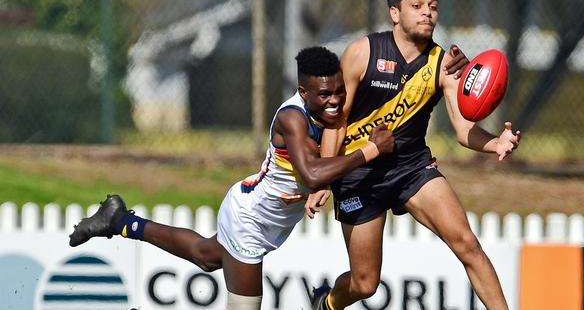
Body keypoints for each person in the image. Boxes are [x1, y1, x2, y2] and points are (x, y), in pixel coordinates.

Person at [68, 46, 400, 310]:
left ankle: (120, 221)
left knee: (205, 255)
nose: (335, 101)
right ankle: (120, 221)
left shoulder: (328, 111)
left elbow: (320, 168)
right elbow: (313, 173)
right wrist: (371, 150)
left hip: (261, 213)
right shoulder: (292, 118)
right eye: (324, 94)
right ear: (303, 91)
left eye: (339, 91)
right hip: (250, 220)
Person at [310, 0, 522, 310]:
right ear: (395, 13)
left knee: (467, 243)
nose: (428, 13)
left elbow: (463, 128)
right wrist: (323, 176)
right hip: (358, 174)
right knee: (365, 284)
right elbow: (335, 122)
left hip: (411, 167)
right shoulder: (362, 52)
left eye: (433, 7)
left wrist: (495, 143)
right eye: (417, 5)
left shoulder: (443, 65)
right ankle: (329, 303)